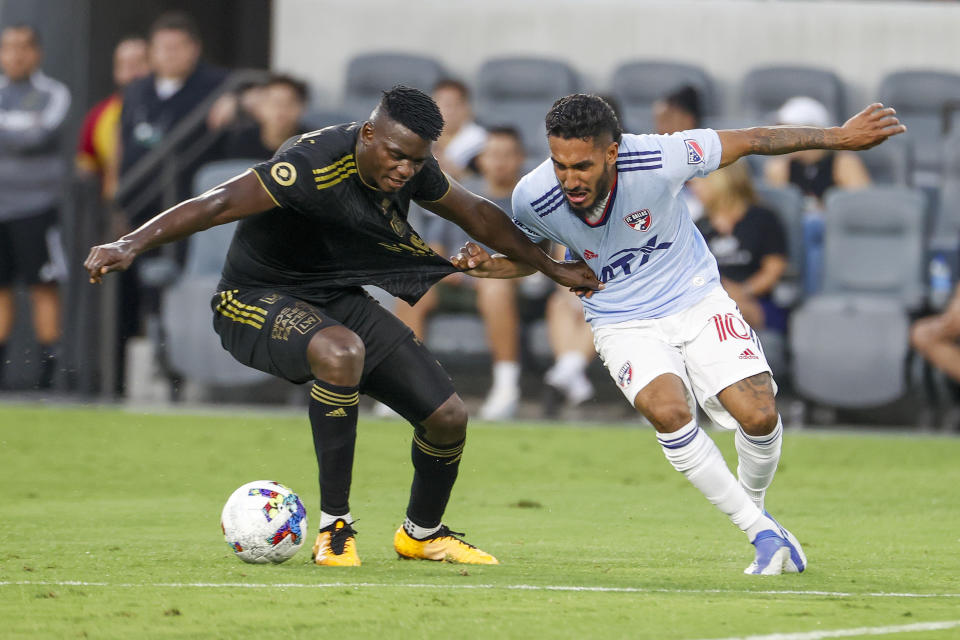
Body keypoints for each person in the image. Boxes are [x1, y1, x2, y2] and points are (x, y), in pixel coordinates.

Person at [85, 86, 599, 567]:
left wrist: (554, 269)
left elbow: (477, 214)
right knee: (340, 352)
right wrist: (129, 243)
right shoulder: (308, 164)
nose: (404, 169)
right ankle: (335, 528)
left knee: (447, 415)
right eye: (396, 155)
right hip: (254, 298)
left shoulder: (413, 163)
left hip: (333, 297)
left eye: (416, 160)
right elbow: (216, 202)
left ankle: (421, 534)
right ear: (369, 134)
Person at [453, 93, 903, 575]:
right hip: (620, 318)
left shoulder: (658, 156)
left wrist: (839, 137)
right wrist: (489, 268)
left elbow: (753, 140)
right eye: (560, 164)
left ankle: (755, 511)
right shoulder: (532, 196)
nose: (569, 179)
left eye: (581, 166)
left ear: (611, 152)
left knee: (759, 414)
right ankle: (762, 534)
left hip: (694, 297)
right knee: (668, 412)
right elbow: (530, 260)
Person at [394, 126, 533, 420]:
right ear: (481, 159)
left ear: (520, 158)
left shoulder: (529, 203)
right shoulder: (459, 194)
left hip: (500, 284)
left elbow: (530, 257)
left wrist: (485, 272)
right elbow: (434, 245)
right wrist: (445, 268)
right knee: (412, 287)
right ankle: (404, 385)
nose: (500, 161)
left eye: (507, 155)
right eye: (493, 154)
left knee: (494, 288)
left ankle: (506, 388)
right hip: (453, 279)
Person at [0, 24, 71, 389]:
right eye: (8, 48)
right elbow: (24, 135)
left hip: (36, 207)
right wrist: (18, 129)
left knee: (43, 286)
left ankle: (48, 376)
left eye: (23, 48)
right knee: (1, 290)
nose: (15, 55)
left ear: (37, 53)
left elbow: (39, 136)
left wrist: (13, 132)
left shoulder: (53, 93)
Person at [763, 96, 871, 294]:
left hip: (835, 238)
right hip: (795, 237)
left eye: (786, 130)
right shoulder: (780, 167)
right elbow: (778, 214)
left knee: (813, 227)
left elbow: (863, 211)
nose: (778, 136)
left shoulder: (844, 162)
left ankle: (814, 294)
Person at [693, 161, 789, 333]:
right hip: (712, 299)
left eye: (701, 181)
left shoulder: (762, 218)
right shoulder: (699, 226)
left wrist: (743, 291)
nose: (695, 187)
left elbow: (774, 269)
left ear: (721, 181)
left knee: (730, 310)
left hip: (757, 301)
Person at [75, 36, 150, 200]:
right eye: (125, 65)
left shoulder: (165, 106)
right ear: (116, 71)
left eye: (139, 63)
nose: (132, 72)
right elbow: (86, 168)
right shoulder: (99, 114)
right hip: (117, 204)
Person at [219, 75, 309, 161]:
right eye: (273, 102)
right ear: (258, 107)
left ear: (302, 108)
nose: (280, 109)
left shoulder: (311, 143)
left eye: (289, 103)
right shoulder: (238, 141)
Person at [431, 78, 487, 181]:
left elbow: (482, 181)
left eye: (454, 105)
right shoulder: (420, 134)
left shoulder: (481, 140)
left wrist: (456, 171)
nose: (448, 111)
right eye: (443, 104)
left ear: (467, 108)